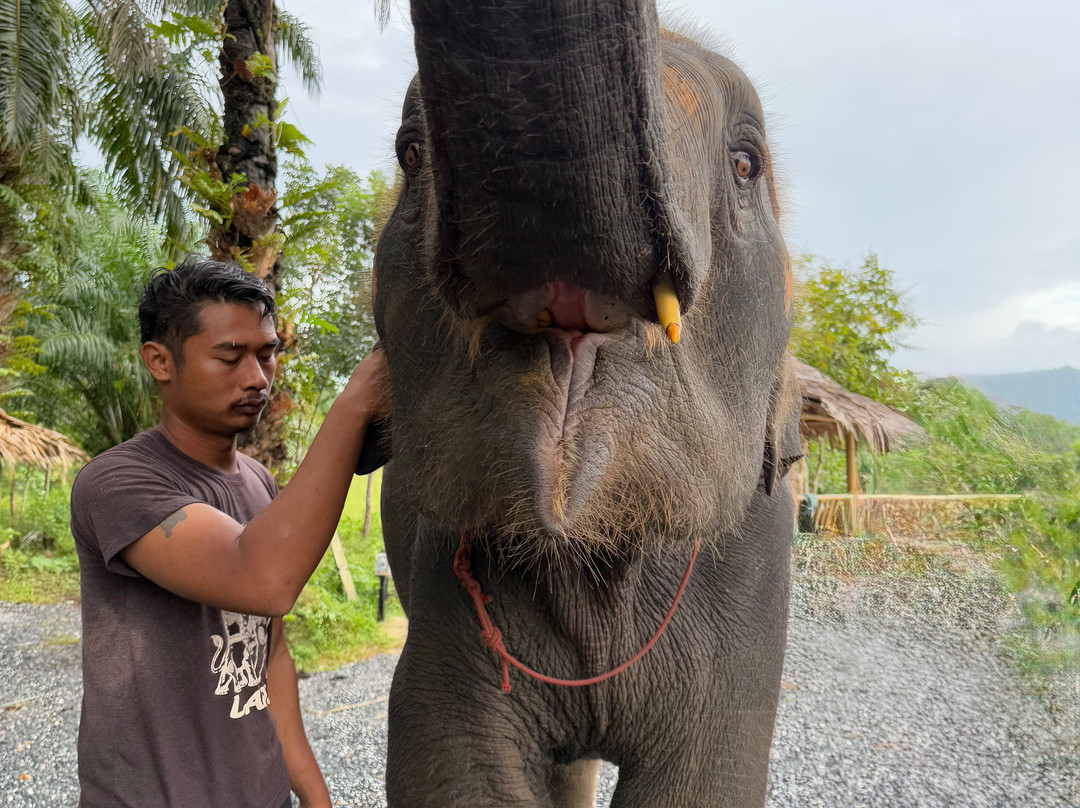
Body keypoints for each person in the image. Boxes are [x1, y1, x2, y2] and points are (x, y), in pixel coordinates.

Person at [70, 258, 390, 808]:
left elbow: (271, 656)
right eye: (229, 357)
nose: (257, 378)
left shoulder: (259, 482)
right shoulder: (117, 483)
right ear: (159, 361)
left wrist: (314, 794)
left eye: (267, 354)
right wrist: (356, 401)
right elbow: (263, 580)